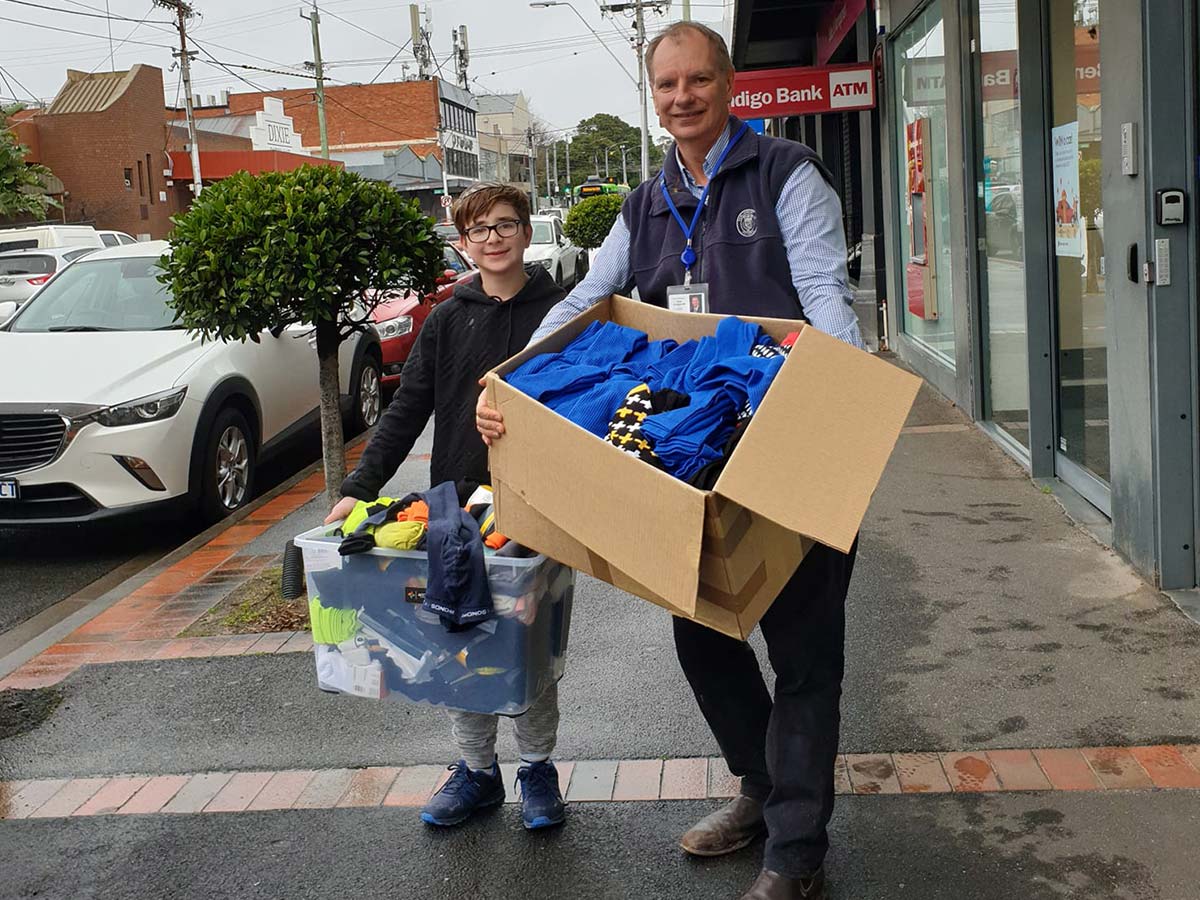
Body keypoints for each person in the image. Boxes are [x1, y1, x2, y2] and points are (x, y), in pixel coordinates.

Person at [476, 21, 864, 900]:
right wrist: (513, 380)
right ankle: (760, 789)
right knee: (705, 638)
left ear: (729, 85)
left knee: (805, 657)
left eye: (698, 81)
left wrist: (841, 420)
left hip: (787, 442)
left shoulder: (786, 174)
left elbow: (824, 297)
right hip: (693, 462)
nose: (682, 98)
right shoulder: (644, 202)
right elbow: (588, 295)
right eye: (666, 86)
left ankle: (796, 849)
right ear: (653, 97)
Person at [326, 183, 569, 832]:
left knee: (528, 646)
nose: (493, 238)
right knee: (457, 641)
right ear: (462, 243)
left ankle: (538, 769)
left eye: (505, 225)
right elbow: (407, 410)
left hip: (535, 504)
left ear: (525, 231)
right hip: (457, 504)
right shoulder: (446, 319)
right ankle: (477, 772)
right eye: (478, 229)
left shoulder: (560, 313)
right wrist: (360, 484)